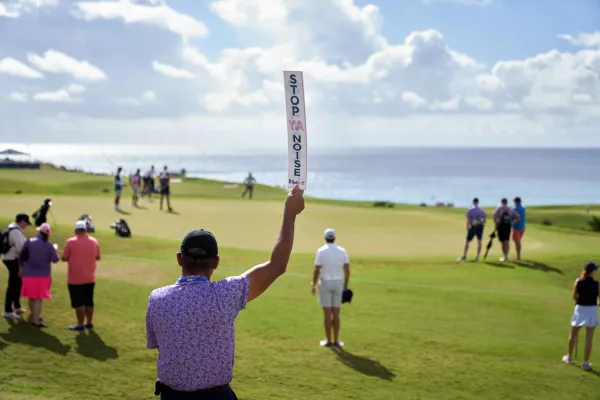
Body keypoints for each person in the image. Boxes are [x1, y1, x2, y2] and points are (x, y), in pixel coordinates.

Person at [146, 184, 305, 399]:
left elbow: (162, 346)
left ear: (179, 259)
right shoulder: (225, 294)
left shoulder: (156, 299)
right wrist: (290, 213)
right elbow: (277, 266)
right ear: (216, 262)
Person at [311, 228, 350, 348]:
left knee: (327, 314)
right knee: (336, 313)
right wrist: (345, 286)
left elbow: (317, 269)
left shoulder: (321, 251)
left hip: (325, 283)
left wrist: (313, 284)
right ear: (334, 238)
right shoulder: (342, 251)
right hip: (338, 283)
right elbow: (347, 270)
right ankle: (336, 341)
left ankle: (328, 341)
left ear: (325, 238)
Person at [61, 220, 101, 332]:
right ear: (85, 230)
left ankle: (80, 325)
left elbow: (64, 258)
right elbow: (97, 257)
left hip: (75, 278)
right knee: (89, 301)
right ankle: (89, 322)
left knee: (79, 302)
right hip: (90, 277)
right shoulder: (94, 241)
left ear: (75, 230)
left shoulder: (70, 242)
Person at [19, 223, 59, 327]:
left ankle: (34, 316)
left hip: (28, 273)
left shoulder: (29, 242)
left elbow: (21, 257)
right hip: (43, 275)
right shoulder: (49, 245)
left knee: (32, 297)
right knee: (38, 298)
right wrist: (56, 250)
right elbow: (55, 260)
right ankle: (36, 321)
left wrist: (20, 269)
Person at [562, 262, 599, 370]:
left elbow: (574, 296)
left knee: (573, 334)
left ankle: (569, 357)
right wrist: (596, 303)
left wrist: (580, 302)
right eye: (595, 269)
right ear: (592, 271)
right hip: (592, 310)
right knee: (589, 338)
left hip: (580, 309)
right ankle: (586, 363)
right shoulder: (597, 284)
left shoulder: (578, 281)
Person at [1, 213, 30, 319]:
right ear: (22, 221)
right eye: (26, 223)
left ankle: (16, 306)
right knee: (13, 284)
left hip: (10, 259)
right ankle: (8, 310)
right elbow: (20, 249)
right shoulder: (16, 231)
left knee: (17, 282)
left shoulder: (12, 228)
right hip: (12, 260)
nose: (26, 225)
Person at [458, 198, 486, 262]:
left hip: (473, 227)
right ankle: (477, 257)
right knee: (479, 241)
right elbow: (484, 220)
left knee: (467, 241)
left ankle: (464, 256)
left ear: (473, 202)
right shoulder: (482, 211)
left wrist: (467, 227)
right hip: (480, 227)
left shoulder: (470, 210)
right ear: (478, 202)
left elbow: (468, 219)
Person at [493, 198, 520, 262]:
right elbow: (518, 217)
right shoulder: (510, 209)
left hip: (501, 227)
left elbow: (494, 216)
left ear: (501, 202)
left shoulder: (499, 208)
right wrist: (512, 223)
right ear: (506, 202)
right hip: (508, 227)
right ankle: (506, 256)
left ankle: (505, 257)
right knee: (507, 241)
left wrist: (496, 224)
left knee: (502, 242)